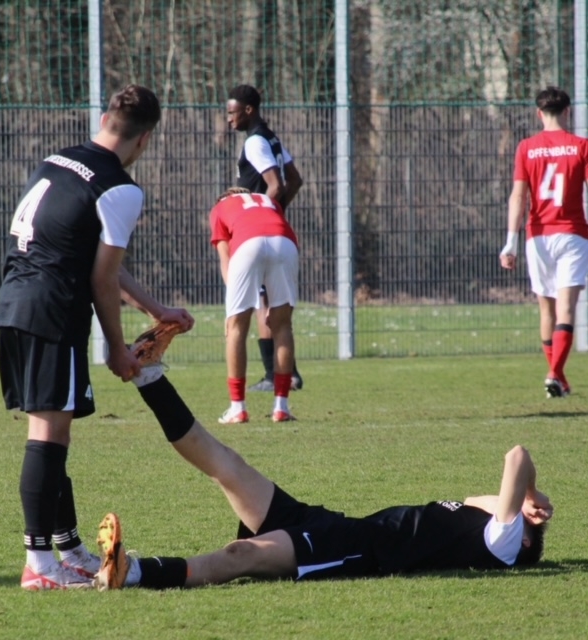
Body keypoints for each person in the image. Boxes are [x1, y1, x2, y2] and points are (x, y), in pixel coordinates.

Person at [0, 84, 194, 590]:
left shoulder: (58, 160)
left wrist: (156, 310)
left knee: (53, 435)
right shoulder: (120, 188)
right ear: (145, 139)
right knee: (47, 437)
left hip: (15, 303)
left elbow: (98, 261)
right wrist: (117, 349)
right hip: (53, 312)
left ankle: (69, 549)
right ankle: (40, 565)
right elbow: (102, 278)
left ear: (105, 119)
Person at [94, 367, 552, 591]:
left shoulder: (503, 548)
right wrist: (530, 501)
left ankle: (133, 571)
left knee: (239, 555)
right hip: (333, 524)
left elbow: (517, 457)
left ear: (523, 541)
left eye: (521, 521)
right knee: (226, 464)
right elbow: (482, 498)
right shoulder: (486, 526)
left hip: (353, 551)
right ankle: (149, 375)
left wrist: (529, 494)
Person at [500, 86, 588, 398]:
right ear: (568, 112)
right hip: (572, 234)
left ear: (539, 113)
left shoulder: (526, 147)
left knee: (546, 309)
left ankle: (557, 379)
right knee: (566, 308)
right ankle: (555, 374)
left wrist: (510, 242)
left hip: (536, 236)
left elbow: (518, 196)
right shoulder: (581, 146)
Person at [227, 84, 304, 392]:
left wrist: (262, 214)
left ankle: (275, 375)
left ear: (248, 110)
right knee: (274, 304)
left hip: (257, 235)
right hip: (276, 233)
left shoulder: (255, 142)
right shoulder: (271, 138)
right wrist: (278, 213)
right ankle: (288, 373)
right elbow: (294, 179)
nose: (229, 119)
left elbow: (276, 185)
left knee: (264, 305)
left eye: (232, 113)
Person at [209, 187, 299, 423]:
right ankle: (281, 407)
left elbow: (225, 257)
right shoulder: (267, 200)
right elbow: (272, 230)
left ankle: (237, 408)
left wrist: (233, 309)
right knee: (282, 326)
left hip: (248, 246)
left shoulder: (220, 208)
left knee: (237, 328)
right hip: (285, 243)